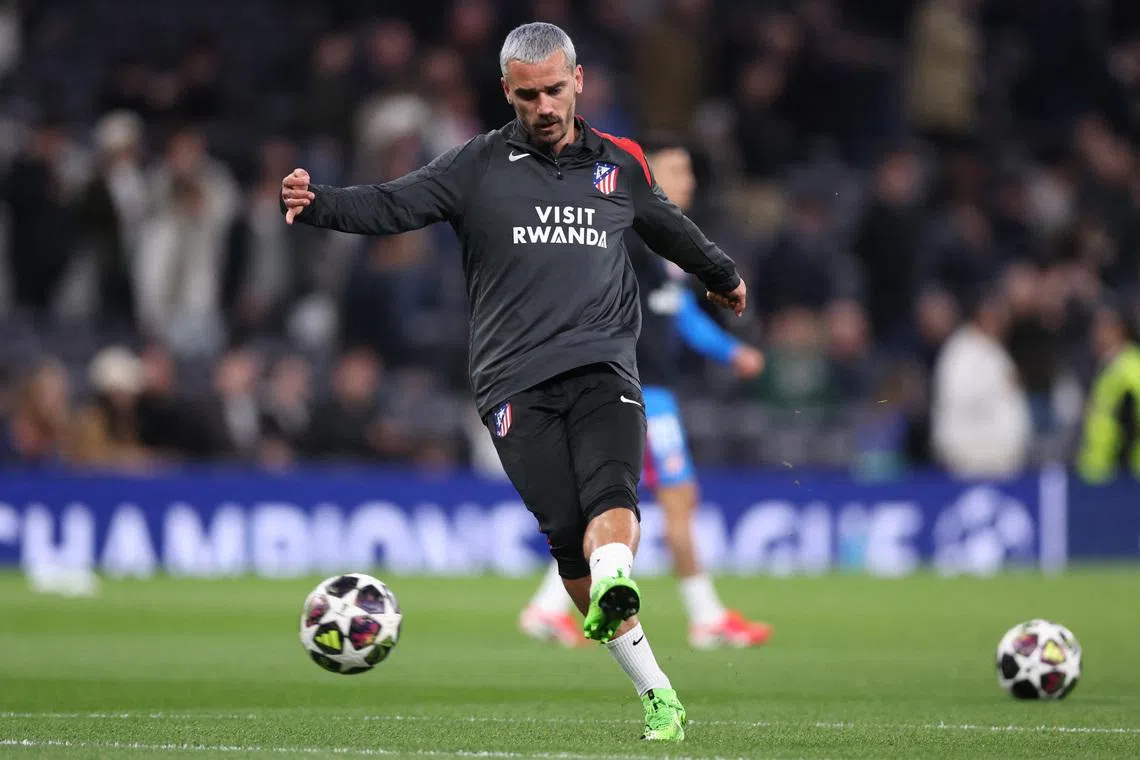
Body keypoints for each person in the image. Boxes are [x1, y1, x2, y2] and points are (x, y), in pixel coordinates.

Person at [281, 22, 747, 742]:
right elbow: (395, 204)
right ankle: (655, 684)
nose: (545, 106)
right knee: (566, 538)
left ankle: (617, 579)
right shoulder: (477, 165)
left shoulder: (618, 163)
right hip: (512, 382)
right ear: (507, 92)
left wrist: (722, 275)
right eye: (528, 95)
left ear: (578, 81)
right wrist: (319, 204)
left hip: (603, 362)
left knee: (612, 492)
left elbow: (667, 227)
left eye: (555, 90)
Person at [519, 134, 772, 650]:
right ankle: (705, 618)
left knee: (616, 509)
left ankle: (547, 608)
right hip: (637, 391)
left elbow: (677, 311)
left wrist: (729, 351)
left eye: (688, 171)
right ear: (648, 176)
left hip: (648, 391)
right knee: (676, 500)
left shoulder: (659, 245)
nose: (689, 181)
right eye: (676, 171)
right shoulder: (625, 237)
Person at [1077, 299, 1140, 483]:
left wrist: (1125, 467)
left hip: (1123, 473)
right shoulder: (1107, 366)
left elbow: (1132, 423)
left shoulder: (1131, 368)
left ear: (1119, 329)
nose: (1095, 333)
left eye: (1102, 327)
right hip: (1100, 472)